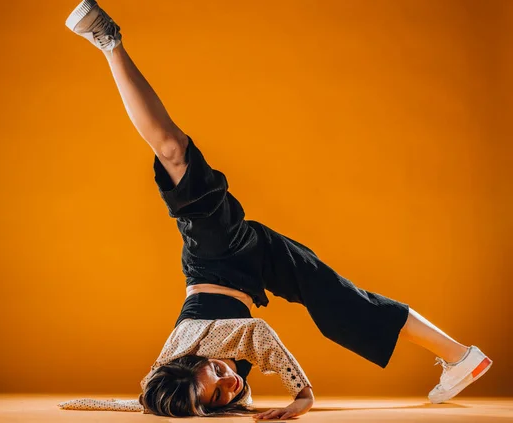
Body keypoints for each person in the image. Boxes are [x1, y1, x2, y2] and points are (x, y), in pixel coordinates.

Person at [57, 0, 493, 419]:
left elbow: (259, 334)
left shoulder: (193, 347)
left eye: (218, 374)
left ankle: (107, 38)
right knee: (342, 304)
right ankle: (461, 357)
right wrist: (88, 404)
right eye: (220, 395)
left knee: (173, 153)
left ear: (193, 361)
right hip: (255, 266)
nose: (230, 382)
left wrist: (303, 395)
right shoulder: (186, 389)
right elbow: (148, 401)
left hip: (217, 255)